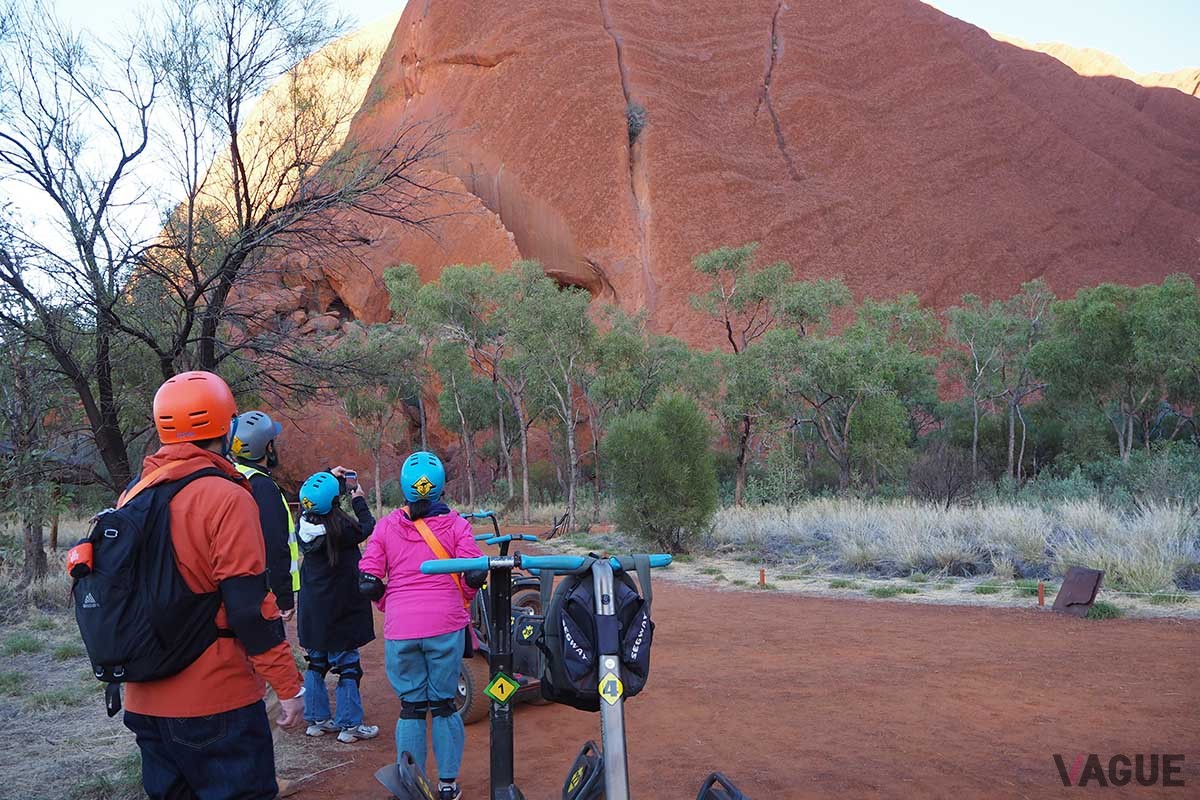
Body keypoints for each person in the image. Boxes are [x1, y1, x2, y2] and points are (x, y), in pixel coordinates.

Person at [123, 370, 304, 800]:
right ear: (226, 426)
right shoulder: (226, 496)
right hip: (216, 705)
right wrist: (288, 686)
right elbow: (247, 608)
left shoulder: (134, 493)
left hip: (144, 702)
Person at [358, 451, 485, 800]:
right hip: (445, 624)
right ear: (440, 487)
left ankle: (411, 785)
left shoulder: (385, 526)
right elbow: (474, 570)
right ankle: (447, 786)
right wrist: (465, 597)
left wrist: (388, 603)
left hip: (401, 628)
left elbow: (368, 579)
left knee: (411, 707)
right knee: (444, 705)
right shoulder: (457, 524)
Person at [296, 467, 380, 744]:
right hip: (341, 608)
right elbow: (368, 526)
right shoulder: (341, 528)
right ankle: (349, 725)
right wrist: (357, 498)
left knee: (316, 662)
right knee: (347, 666)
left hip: (313, 607)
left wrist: (326, 475)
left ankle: (316, 720)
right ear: (335, 500)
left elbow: (315, 496)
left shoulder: (302, 525)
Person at [231, 410, 299, 618]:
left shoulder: (234, 476)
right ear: (268, 447)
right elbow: (274, 544)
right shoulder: (263, 487)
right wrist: (284, 596)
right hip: (266, 595)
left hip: (241, 589)